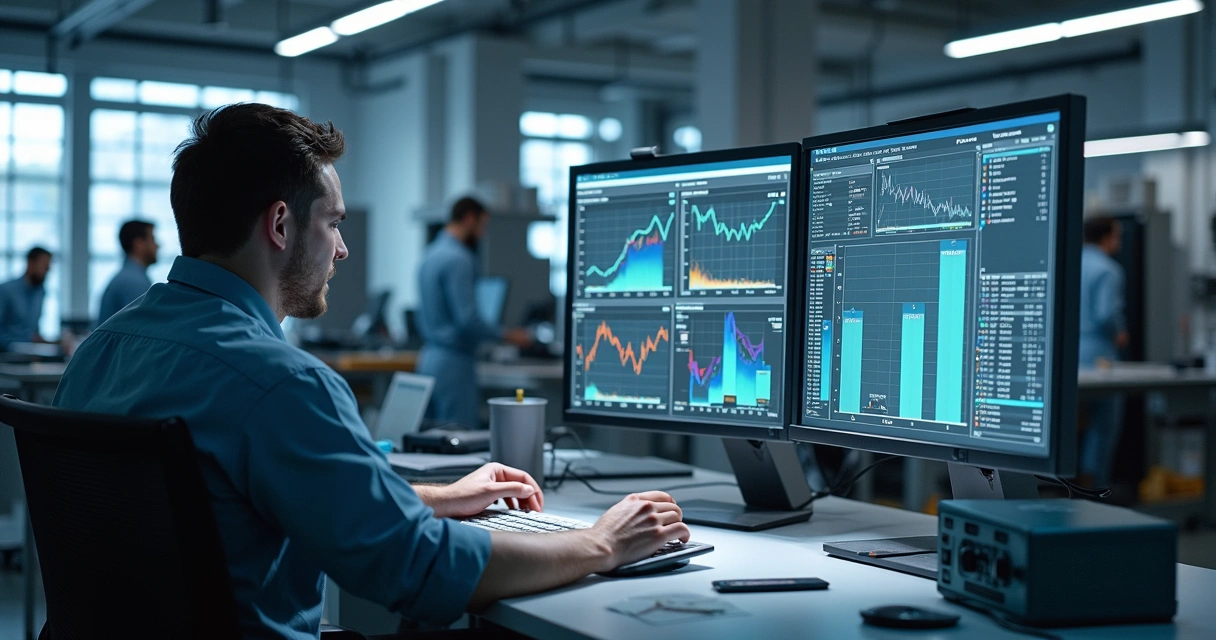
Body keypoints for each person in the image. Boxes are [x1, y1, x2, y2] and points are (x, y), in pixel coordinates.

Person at [53, 103, 688, 639]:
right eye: (333, 223)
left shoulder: (101, 352)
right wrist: (600, 543)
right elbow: (417, 569)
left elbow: (249, 499)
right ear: (280, 224)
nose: (342, 248)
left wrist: (437, 497)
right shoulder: (278, 382)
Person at [417, 197, 531, 427]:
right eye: (482, 226)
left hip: (428, 360)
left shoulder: (430, 255)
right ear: (469, 219)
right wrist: (510, 335)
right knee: (459, 440)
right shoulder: (459, 259)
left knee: (431, 442)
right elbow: (468, 320)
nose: (482, 235)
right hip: (454, 364)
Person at [1078, 216, 1128, 487]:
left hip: (1068, 356)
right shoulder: (1108, 270)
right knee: (1103, 424)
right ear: (1107, 238)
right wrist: (1120, 332)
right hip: (1097, 355)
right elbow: (1106, 313)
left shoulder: (1068, 262)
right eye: (1116, 237)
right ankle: (1093, 488)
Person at [97, 219, 159, 325]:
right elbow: (145, 327)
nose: (157, 245)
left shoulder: (127, 277)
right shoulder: (133, 282)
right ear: (139, 244)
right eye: (152, 239)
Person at [0, 247, 52, 349]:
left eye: (48, 267)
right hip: (6, 355)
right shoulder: (6, 290)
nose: (47, 271)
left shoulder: (40, 292)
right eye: (44, 266)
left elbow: (33, 330)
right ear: (31, 263)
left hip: (31, 353)